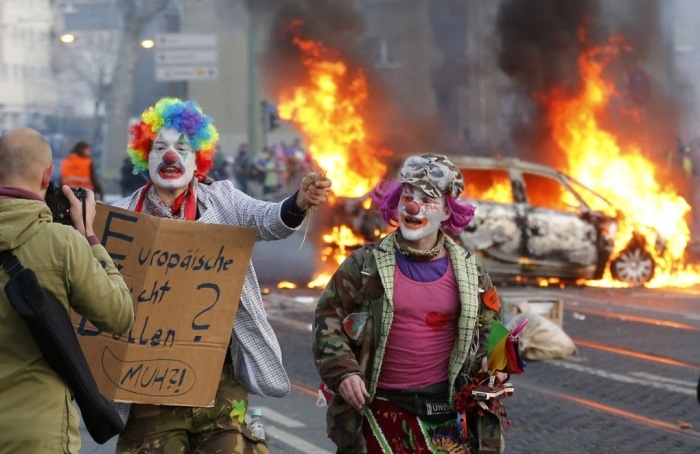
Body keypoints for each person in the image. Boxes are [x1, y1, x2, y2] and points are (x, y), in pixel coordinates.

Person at [113, 97, 332, 453]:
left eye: (182, 148)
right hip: (148, 379)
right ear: (144, 156)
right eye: (159, 148)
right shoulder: (122, 216)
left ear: (198, 159)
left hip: (218, 373)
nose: (170, 156)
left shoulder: (223, 200)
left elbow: (267, 220)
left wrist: (299, 202)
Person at [313, 154, 507, 453]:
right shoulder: (365, 265)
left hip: (445, 414)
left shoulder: (471, 273)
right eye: (407, 197)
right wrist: (344, 372)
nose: (413, 207)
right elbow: (328, 319)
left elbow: (493, 332)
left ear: (446, 212)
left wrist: (495, 364)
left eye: (427, 200)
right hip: (378, 410)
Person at [0, 127, 134, 453]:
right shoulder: (63, 244)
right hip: (38, 433)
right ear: (47, 179)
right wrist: (88, 235)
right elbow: (119, 315)